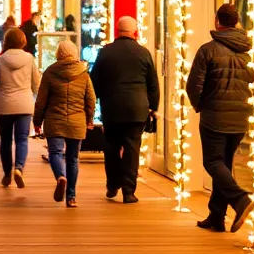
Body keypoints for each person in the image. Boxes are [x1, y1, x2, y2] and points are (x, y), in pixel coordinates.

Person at [186, 3, 254, 232]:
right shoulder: (247, 52)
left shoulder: (208, 50)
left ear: (218, 21)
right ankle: (216, 216)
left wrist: (199, 105)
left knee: (212, 162)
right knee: (223, 164)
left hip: (215, 116)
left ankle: (240, 200)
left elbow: (193, 84)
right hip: (240, 116)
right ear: (236, 22)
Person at [91, 16, 160, 204]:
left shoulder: (105, 53)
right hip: (136, 110)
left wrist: (93, 104)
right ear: (135, 32)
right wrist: (153, 107)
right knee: (132, 150)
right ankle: (129, 192)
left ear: (117, 30)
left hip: (112, 108)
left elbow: (94, 80)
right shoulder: (143, 53)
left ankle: (113, 185)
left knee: (111, 148)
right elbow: (153, 83)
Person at [34, 39, 96, 208]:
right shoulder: (83, 74)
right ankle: (71, 196)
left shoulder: (50, 72)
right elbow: (90, 99)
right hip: (76, 121)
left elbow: (41, 100)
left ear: (58, 54)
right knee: (73, 159)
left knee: (55, 153)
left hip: (54, 120)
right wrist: (89, 118)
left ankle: (60, 176)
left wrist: (37, 121)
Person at [0, 26, 40, 188]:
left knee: (5, 141)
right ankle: (19, 168)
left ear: (6, 42)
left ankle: (7, 173)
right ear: (23, 41)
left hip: (4, 105)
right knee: (22, 140)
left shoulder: (0, 60)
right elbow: (36, 84)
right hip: (24, 104)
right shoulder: (30, 59)